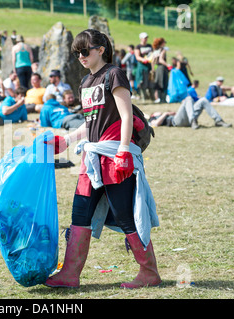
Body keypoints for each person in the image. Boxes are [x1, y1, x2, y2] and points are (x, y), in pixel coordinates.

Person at [44, 29, 161, 289]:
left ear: (100, 49)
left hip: (114, 154)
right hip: (92, 155)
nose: (81, 56)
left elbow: (126, 116)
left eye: (85, 51)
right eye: (77, 53)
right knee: (79, 214)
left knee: (124, 214)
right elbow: (91, 124)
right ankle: (70, 274)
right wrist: (66, 140)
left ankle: (149, 272)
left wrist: (122, 152)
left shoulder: (114, 74)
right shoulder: (85, 83)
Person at [149, 96, 232, 129]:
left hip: (184, 118)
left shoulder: (163, 114)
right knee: (188, 98)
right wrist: (165, 114)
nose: (159, 112)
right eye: (157, 112)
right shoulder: (153, 118)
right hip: (176, 122)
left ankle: (218, 121)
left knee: (203, 100)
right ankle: (193, 121)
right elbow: (155, 124)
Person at [134, 32, 153, 101]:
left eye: (146, 38)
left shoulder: (150, 46)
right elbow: (137, 57)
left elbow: (152, 54)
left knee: (150, 82)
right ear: (141, 38)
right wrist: (143, 59)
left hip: (149, 66)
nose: (146, 39)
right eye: (144, 38)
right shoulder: (138, 47)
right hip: (142, 66)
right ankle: (143, 97)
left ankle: (152, 97)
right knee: (142, 82)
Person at [151, 37, 171, 103]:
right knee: (164, 83)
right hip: (162, 68)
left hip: (157, 68)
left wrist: (153, 69)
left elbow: (152, 61)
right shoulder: (163, 50)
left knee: (158, 83)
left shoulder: (155, 50)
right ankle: (163, 99)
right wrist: (167, 65)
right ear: (162, 43)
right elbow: (161, 60)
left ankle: (158, 98)